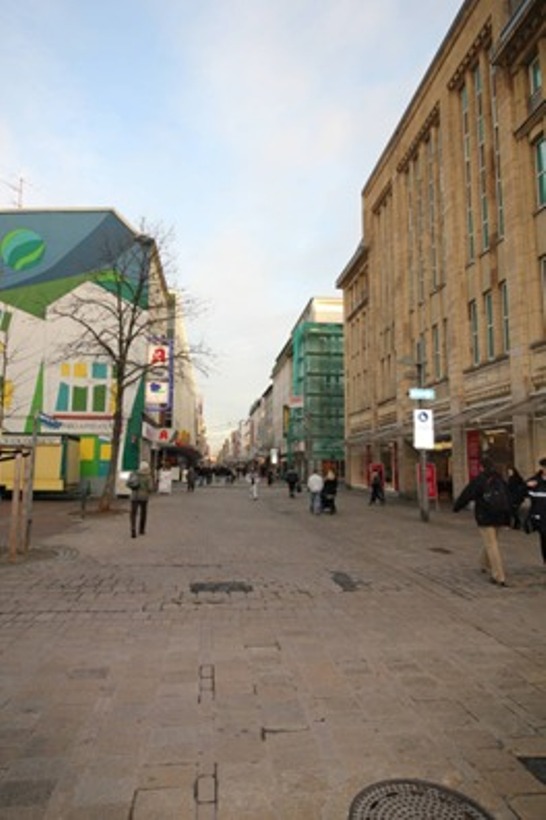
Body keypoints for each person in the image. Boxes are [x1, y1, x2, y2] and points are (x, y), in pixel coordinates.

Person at [453, 456, 510, 586]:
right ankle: (484, 564)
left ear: (481, 467)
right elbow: (509, 497)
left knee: (492, 545)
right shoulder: (500, 479)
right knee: (491, 541)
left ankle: (498, 576)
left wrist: (457, 507)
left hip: (486, 516)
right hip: (501, 516)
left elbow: (466, 495)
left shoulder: (480, 480)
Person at [525, 457, 546, 564]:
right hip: (541, 516)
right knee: (544, 539)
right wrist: (527, 486)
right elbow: (522, 493)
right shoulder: (535, 481)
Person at [128, 460, 154, 539]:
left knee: (133, 513)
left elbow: (128, 483)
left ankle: (133, 528)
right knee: (143, 513)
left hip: (134, 496)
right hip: (144, 497)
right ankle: (141, 529)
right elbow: (150, 488)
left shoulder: (134, 474)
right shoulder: (148, 477)